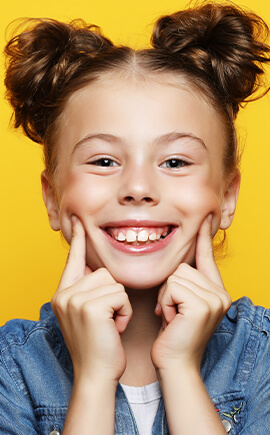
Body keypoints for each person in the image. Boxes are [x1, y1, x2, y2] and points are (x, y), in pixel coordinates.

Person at [1, 2, 270, 434]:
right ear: (53, 198)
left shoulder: (262, 358)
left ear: (226, 197)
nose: (138, 187)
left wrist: (181, 368)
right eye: (104, 160)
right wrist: (92, 379)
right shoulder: (11, 369)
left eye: (176, 162)